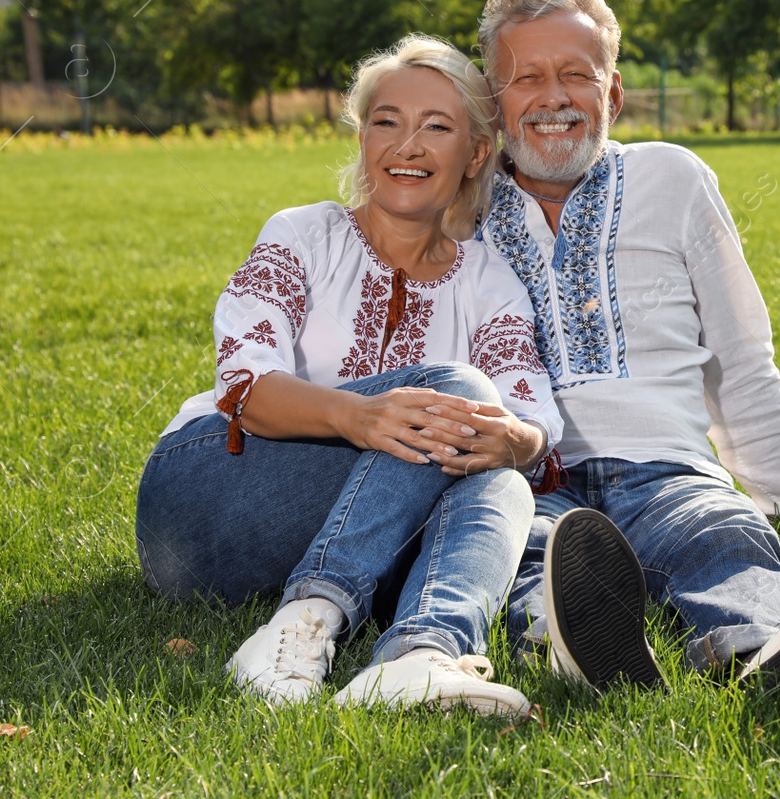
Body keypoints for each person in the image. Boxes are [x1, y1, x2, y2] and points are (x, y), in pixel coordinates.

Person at [474, 0, 780, 690]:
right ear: (492, 102)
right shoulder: (458, 206)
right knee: (524, 555)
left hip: (665, 466)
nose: (553, 96)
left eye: (576, 75)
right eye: (525, 76)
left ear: (613, 95)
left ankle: (768, 648)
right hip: (529, 475)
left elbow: (740, 353)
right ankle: (576, 651)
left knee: (723, 535)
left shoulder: (674, 179)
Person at [135, 35, 563, 718]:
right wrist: (358, 416)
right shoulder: (302, 234)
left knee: (500, 473)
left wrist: (517, 441)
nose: (407, 145)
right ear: (363, 138)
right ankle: (304, 617)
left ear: (476, 153)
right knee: (457, 393)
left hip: (344, 534)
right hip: (204, 505)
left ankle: (418, 657)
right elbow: (246, 382)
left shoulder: (490, 281)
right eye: (386, 121)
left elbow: (528, 409)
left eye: (437, 127)